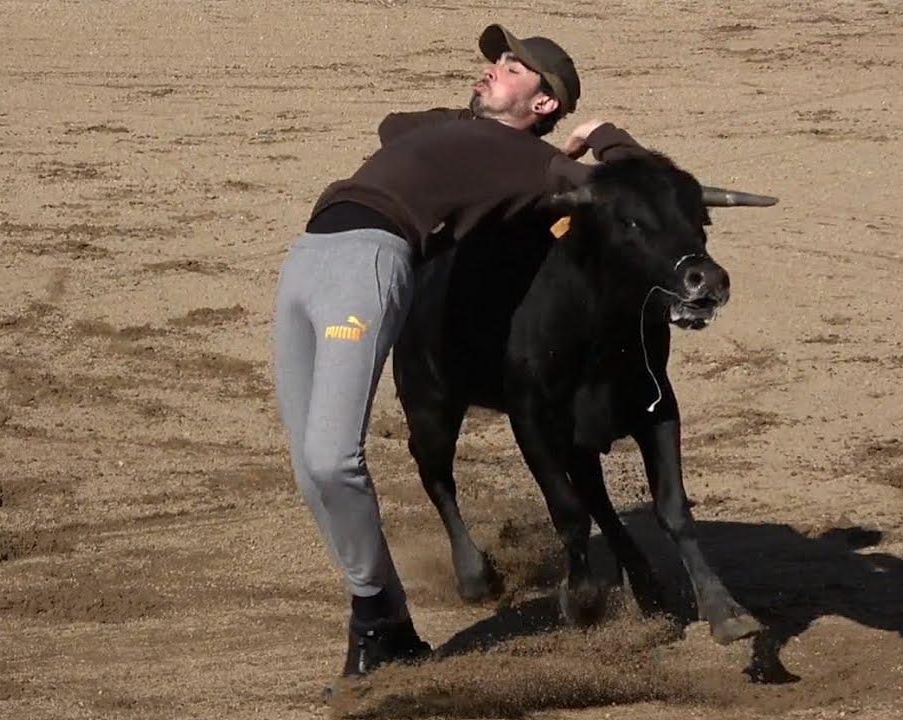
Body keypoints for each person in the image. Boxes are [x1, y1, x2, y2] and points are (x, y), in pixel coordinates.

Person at [270, 22, 649, 681]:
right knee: (309, 472)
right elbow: (394, 124)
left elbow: (630, 190)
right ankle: (385, 623)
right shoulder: (459, 136)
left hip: (370, 261)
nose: (491, 69)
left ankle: (375, 619)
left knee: (333, 463)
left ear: (544, 104)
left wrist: (603, 138)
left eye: (511, 68)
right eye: (494, 61)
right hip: (307, 259)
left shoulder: (534, 165)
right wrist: (469, 128)